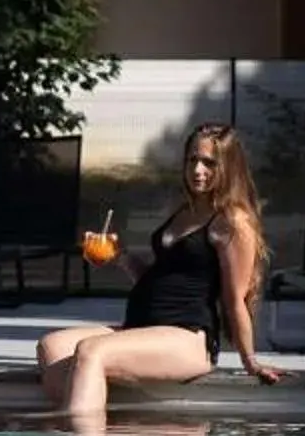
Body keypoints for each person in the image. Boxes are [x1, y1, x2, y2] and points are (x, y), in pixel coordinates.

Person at [37, 123, 279, 419]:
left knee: (91, 352)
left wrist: (250, 361)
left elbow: (234, 299)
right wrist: (120, 256)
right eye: (192, 160)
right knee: (51, 347)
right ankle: (103, 422)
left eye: (209, 163)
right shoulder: (185, 210)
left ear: (228, 167)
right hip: (141, 326)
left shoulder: (232, 222)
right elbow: (162, 277)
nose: (198, 170)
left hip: (186, 336)